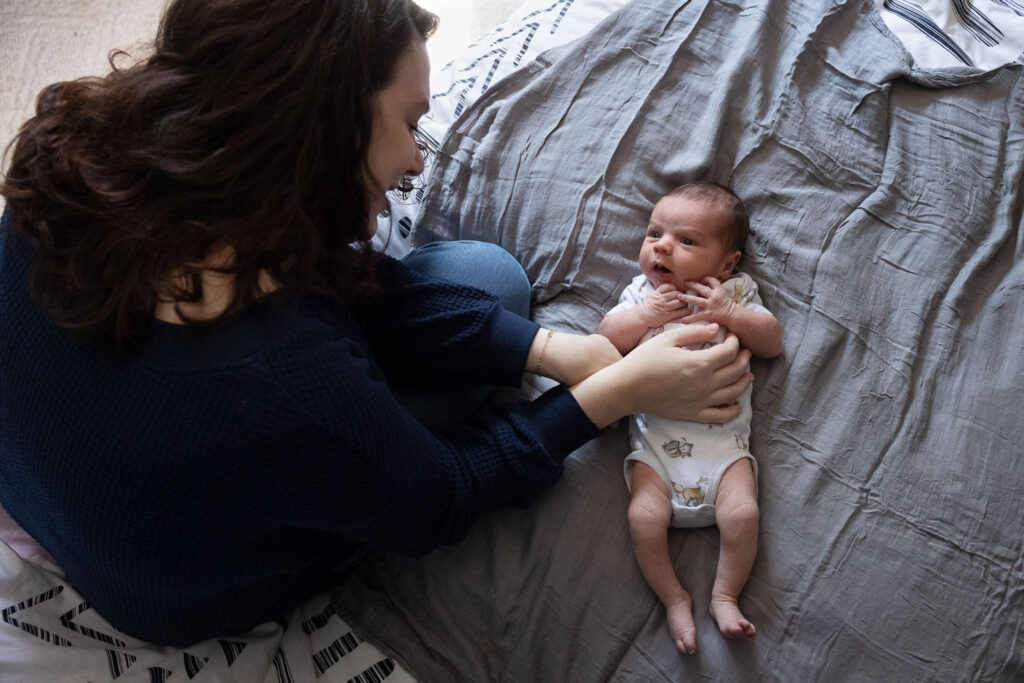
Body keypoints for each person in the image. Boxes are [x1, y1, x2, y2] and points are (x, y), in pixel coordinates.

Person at [0, 0, 752, 647]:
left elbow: (331, 281)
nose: (418, 163)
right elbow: (444, 496)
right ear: (324, 130)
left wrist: (563, 349)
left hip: (41, 471)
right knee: (479, 295)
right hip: (175, 594)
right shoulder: (289, 383)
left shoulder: (77, 166)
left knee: (484, 283)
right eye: (408, 123)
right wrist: (616, 390)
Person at [600, 182, 782, 655]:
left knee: (743, 514)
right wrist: (643, 315)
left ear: (726, 263)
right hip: (656, 450)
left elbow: (771, 341)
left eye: (686, 240)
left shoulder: (734, 291)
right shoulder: (642, 291)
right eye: (654, 233)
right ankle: (674, 598)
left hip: (723, 449)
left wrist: (730, 313)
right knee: (643, 518)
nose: (661, 245)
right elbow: (608, 338)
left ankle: (724, 596)